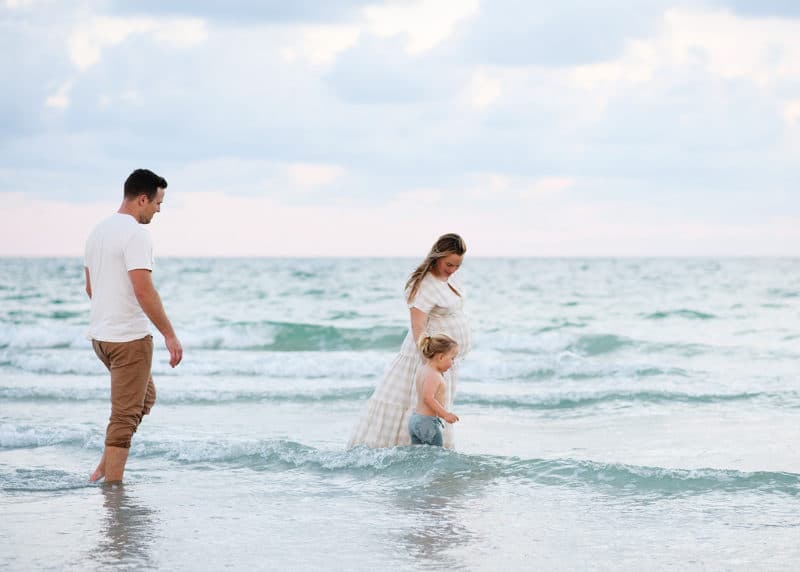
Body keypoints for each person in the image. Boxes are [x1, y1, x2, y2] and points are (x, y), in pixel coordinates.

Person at [84, 168, 183, 483]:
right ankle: (112, 487)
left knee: (144, 398)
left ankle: (105, 464)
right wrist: (170, 335)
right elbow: (144, 290)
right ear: (142, 199)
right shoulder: (137, 234)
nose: (158, 209)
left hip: (101, 338)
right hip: (128, 340)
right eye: (157, 202)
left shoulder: (97, 231)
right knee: (125, 417)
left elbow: (91, 289)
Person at [348, 232, 470, 449]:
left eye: (457, 266)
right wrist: (429, 363)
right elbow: (418, 327)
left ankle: (434, 451)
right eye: (449, 264)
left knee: (439, 401)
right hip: (428, 357)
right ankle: (401, 450)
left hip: (445, 357)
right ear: (437, 257)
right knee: (419, 402)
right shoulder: (425, 285)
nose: (452, 270)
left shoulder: (450, 280)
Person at [408, 334, 460, 446]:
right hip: (427, 422)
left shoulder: (423, 369)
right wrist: (445, 414)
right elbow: (428, 398)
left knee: (418, 456)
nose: (453, 363)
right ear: (440, 357)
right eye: (452, 358)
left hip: (415, 419)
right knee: (435, 457)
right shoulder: (434, 375)